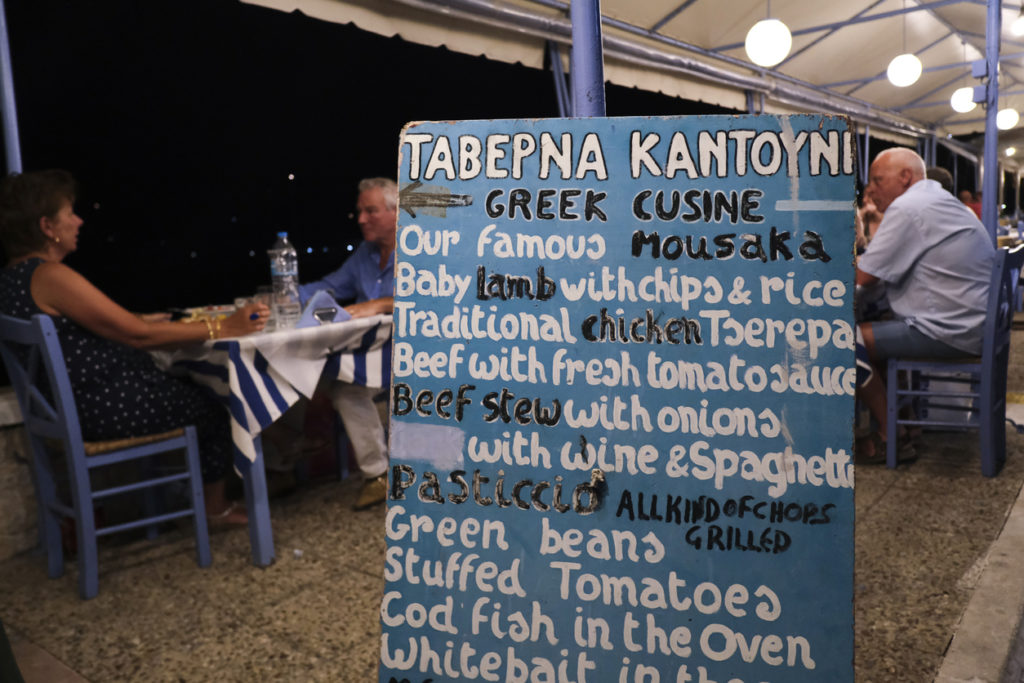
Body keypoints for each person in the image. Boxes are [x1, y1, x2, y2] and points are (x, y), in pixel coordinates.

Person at [0, 170, 270, 525]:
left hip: (69, 410)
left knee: (188, 380)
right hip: (103, 409)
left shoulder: (11, 280)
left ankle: (183, 497)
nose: (79, 221)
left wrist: (140, 319)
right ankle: (213, 508)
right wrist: (223, 326)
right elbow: (138, 337)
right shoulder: (50, 275)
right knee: (217, 403)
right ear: (47, 226)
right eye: (71, 214)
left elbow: (86, 326)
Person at [855, 149, 995, 461]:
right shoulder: (936, 199)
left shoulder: (908, 207)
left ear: (905, 177)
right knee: (874, 331)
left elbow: (865, 276)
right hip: (972, 323)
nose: (872, 188)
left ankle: (890, 434)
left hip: (950, 330)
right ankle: (908, 425)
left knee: (839, 339)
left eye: (878, 180)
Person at [299, 177, 396, 509]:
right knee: (299, 372)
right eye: (360, 211)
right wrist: (278, 299)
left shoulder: (421, 246)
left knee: (344, 386)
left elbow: (435, 296)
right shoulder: (365, 255)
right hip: (368, 351)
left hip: (412, 355)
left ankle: (377, 475)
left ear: (398, 212)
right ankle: (284, 462)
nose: (361, 219)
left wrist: (382, 303)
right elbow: (328, 288)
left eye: (371, 211)